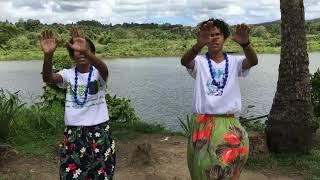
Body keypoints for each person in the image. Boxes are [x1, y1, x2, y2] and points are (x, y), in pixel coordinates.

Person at [181, 18, 258, 179]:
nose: (214, 38)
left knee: (226, 171)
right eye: (210, 35)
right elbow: (185, 61)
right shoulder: (199, 62)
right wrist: (198, 45)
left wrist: (245, 44)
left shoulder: (235, 62)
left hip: (228, 123)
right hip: (203, 123)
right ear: (204, 38)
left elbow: (253, 61)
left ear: (225, 37)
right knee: (201, 170)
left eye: (218, 34)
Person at [40, 27, 115, 180]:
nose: (80, 53)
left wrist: (85, 51)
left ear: (92, 53)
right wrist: (48, 56)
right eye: (77, 50)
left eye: (85, 50)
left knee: (101, 173)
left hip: (99, 130)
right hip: (74, 132)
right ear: (72, 55)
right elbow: (48, 77)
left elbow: (104, 68)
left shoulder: (99, 73)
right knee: (71, 174)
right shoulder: (67, 74)